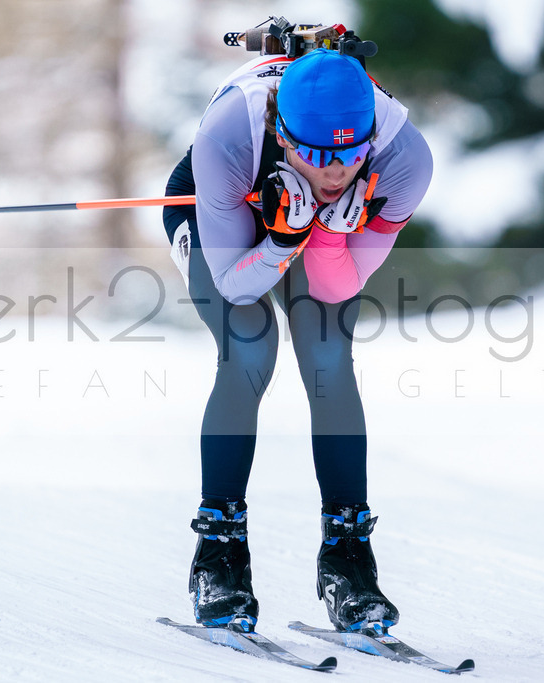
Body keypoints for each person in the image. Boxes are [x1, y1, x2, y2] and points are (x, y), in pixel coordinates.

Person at [161, 45, 433, 634]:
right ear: (284, 135)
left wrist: (330, 236)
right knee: (251, 348)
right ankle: (219, 556)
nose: (336, 172)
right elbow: (235, 287)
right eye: (316, 154)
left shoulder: (404, 159)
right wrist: (284, 238)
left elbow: (337, 288)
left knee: (328, 357)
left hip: (317, 231)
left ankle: (348, 561)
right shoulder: (230, 138)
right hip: (227, 208)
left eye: (350, 153)